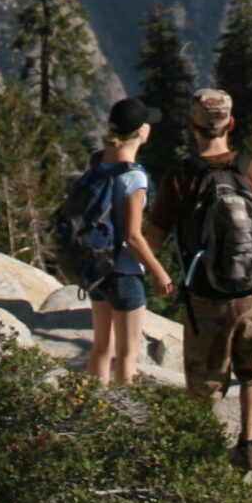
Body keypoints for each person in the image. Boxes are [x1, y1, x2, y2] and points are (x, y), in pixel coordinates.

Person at [147, 87, 252, 470]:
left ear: (193, 127)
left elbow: (155, 238)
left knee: (204, 375)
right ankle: (249, 442)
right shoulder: (251, 170)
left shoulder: (181, 177)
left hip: (206, 295)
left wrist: (148, 266)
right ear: (231, 124)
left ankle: (203, 452)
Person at [85, 96, 175, 385]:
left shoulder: (98, 162)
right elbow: (133, 236)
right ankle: (124, 420)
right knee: (127, 353)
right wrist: (159, 272)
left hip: (97, 268)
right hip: (124, 272)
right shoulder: (135, 178)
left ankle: (89, 409)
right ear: (140, 132)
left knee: (101, 346)